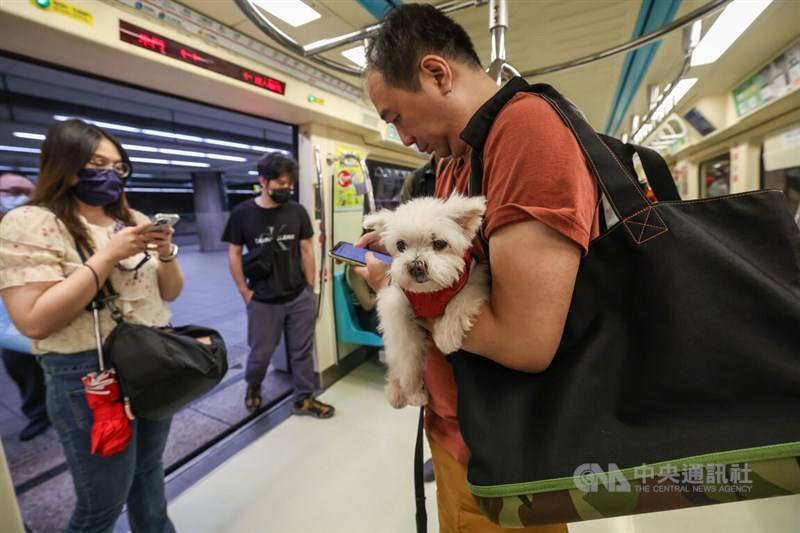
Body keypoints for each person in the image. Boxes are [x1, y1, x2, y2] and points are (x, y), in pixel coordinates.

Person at [355, 5, 599, 531]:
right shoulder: (460, 158)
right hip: (459, 431)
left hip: (501, 451)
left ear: (437, 73)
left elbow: (526, 343)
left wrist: (396, 283)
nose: (401, 139)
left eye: (395, 117)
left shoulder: (527, 132)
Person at [0, 119, 183, 532]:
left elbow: (169, 293)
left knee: (149, 473)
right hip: (88, 373)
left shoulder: (131, 218)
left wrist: (167, 252)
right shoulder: (31, 222)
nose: (110, 175)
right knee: (103, 499)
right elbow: (34, 319)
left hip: (151, 360)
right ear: (65, 165)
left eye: (118, 167)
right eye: (97, 163)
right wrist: (106, 256)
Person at [222, 153, 334, 418]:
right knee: (261, 354)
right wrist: (244, 291)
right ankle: (253, 386)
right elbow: (234, 253)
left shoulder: (296, 211)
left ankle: (303, 399)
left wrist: (310, 286)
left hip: (298, 296)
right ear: (263, 181)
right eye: (280, 183)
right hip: (262, 300)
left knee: (302, 352)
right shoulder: (242, 214)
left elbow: (307, 248)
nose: (285, 188)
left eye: (289, 183)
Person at [0, 173, 50, 441]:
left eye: (28, 191)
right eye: (13, 190)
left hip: (49, 316)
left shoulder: (41, 228)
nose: (21, 197)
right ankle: (37, 414)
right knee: (22, 370)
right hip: (8, 326)